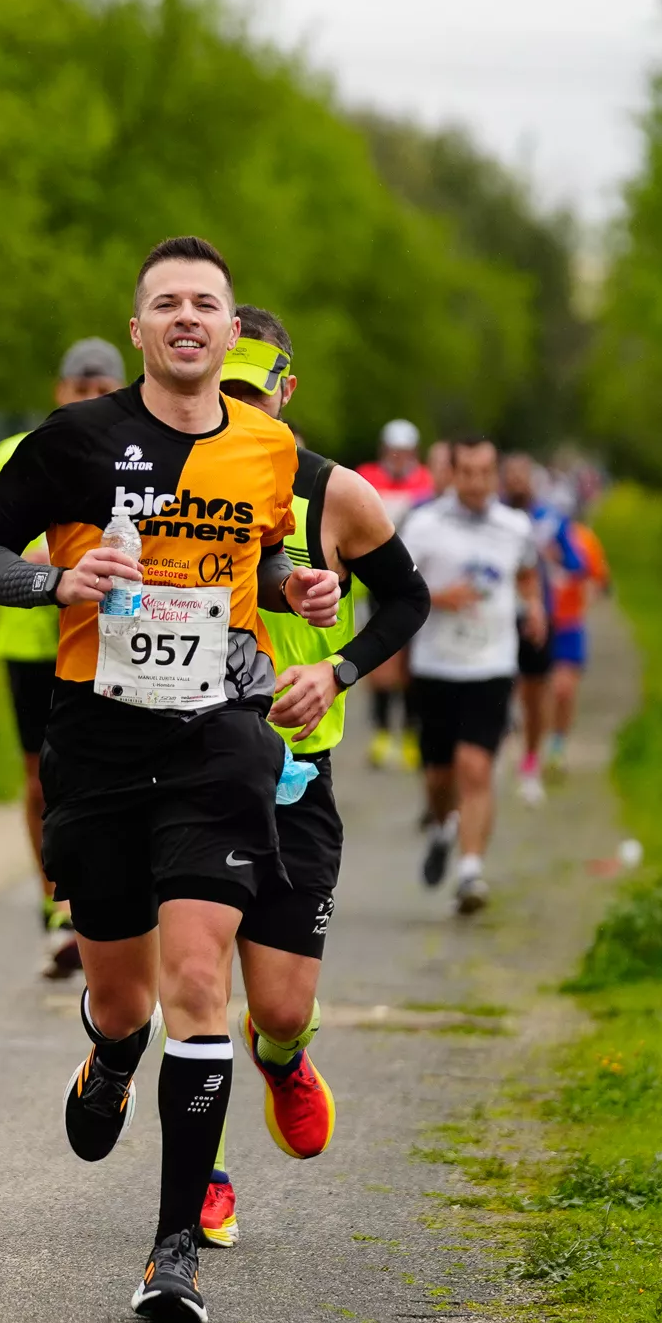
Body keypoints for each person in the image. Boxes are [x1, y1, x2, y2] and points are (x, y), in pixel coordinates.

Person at [0, 236, 339, 1323]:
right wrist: (55, 576)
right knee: (127, 995)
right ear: (139, 330)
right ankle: (112, 1050)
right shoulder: (72, 440)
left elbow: (254, 557)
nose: (186, 318)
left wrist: (292, 581)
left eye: (205, 304)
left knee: (198, 978)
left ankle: (176, 1247)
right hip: (101, 736)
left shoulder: (269, 448)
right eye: (165, 303)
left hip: (220, 737)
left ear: (230, 331)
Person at [197, 309, 428, 1247]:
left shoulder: (335, 494)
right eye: (228, 393)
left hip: (297, 772)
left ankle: (284, 1055)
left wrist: (336, 670)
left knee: (280, 1004)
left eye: (256, 393)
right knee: (193, 978)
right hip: (193, 758)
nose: (242, 409)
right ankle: (200, 1176)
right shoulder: (169, 476)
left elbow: (406, 599)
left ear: (286, 392)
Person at [0, 337, 127, 982]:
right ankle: (54, 901)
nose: (89, 400)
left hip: (111, 643)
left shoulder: (141, 447)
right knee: (41, 779)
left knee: (106, 775)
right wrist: (37, 568)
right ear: (60, 391)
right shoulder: (14, 452)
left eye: (101, 389)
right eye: (78, 389)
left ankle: (107, 906)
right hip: (32, 642)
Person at [400, 438, 541, 915]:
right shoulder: (424, 525)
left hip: (491, 664)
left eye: (486, 471)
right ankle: (443, 827)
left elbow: (525, 573)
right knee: (440, 777)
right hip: (436, 664)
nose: (478, 482)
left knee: (476, 767)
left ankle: (471, 872)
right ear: (452, 474)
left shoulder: (515, 527)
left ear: (495, 473)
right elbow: (396, 589)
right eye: (469, 472)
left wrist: (534, 606)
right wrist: (441, 597)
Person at [501, 452, 607, 796]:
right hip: (502, 618)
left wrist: (552, 556)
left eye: (522, 475)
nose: (516, 481)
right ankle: (513, 747)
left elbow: (578, 565)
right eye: (510, 475)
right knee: (509, 690)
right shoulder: (494, 516)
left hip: (554, 618)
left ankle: (549, 748)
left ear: (532, 479)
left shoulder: (551, 520)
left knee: (555, 690)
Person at [352, 419, 436, 773]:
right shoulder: (365, 476)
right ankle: (384, 731)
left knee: (412, 664)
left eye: (405, 451)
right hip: (373, 581)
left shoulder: (426, 482)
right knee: (380, 661)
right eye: (393, 450)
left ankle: (412, 732)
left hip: (414, 579)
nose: (399, 457)